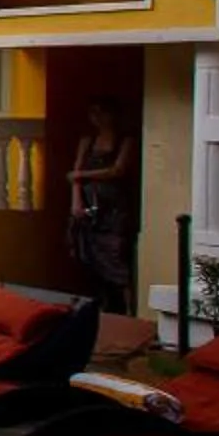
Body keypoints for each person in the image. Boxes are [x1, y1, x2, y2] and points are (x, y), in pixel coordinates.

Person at [65, 98, 136, 314]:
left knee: (116, 257)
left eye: (101, 113)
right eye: (93, 113)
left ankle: (128, 310)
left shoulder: (125, 140)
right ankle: (101, 305)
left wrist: (83, 175)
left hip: (113, 207)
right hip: (89, 204)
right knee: (90, 257)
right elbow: (75, 175)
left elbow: (117, 170)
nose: (97, 118)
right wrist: (76, 202)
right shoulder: (88, 141)